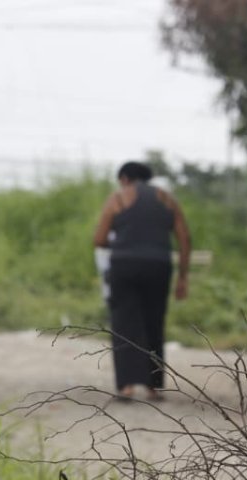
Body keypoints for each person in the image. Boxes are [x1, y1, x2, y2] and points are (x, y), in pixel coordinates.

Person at [93, 161, 191, 401]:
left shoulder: (118, 198)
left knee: (123, 322)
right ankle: (154, 387)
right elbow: (184, 239)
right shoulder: (167, 199)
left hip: (125, 265)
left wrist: (121, 243)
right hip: (159, 265)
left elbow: (99, 238)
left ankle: (126, 386)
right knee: (154, 321)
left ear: (125, 178)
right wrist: (183, 277)